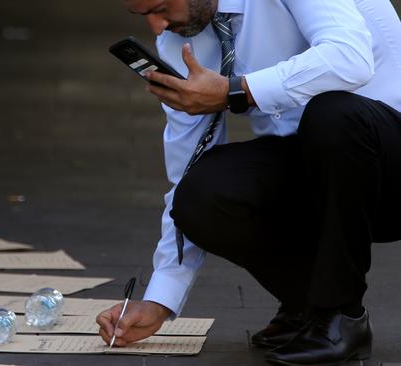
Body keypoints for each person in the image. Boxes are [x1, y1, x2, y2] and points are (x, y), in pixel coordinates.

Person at [96, 0, 401, 365]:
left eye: (160, 7)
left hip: (389, 164)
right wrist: (161, 300)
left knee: (334, 114)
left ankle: (342, 316)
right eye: (142, 14)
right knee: (201, 193)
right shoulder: (180, 38)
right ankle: (309, 306)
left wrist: (235, 91)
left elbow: (349, 58)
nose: (157, 27)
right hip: (319, 171)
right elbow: (186, 164)